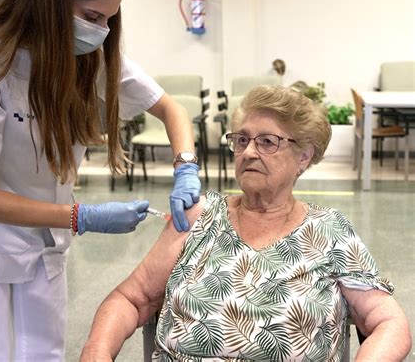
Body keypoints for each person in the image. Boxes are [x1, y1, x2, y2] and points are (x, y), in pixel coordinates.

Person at [0, 0, 200, 360]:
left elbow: (171, 109)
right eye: (91, 16)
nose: (100, 32)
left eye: (108, 21)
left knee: (44, 353)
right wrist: (82, 216)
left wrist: (185, 166)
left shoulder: (89, 58)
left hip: (43, 249)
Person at [80, 85, 412, 362]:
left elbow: (388, 321)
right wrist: (97, 353)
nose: (248, 152)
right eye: (242, 140)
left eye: (267, 141)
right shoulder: (199, 216)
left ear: (304, 156)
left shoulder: (330, 231)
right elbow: (131, 299)